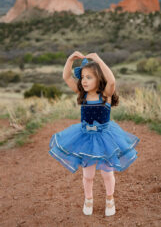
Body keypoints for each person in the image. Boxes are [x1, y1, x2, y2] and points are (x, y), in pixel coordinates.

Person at [49, 51, 140, 216]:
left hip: (105, 139)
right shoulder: (82, 95)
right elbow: (67, 78)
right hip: (85, 139)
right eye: (82, 77)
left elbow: (111, 80)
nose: (83, 80)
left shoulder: (106, 96)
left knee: (107, 173)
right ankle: (88, 199)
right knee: (88, 175)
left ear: (99, 78)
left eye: (89, 77)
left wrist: (98, 59)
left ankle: (110, 199)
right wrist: (69, 60)